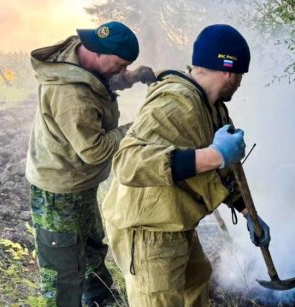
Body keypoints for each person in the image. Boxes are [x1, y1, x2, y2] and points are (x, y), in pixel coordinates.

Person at [101, 24, 271, 306]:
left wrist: (247, 213)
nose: (240, 82)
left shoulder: (212, 106)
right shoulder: (177, 103)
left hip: (174, 222)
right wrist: (213, 155)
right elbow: (128, 163)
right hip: (148, 232)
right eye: (240, 74)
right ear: (229, 71)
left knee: (195, 283)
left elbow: (223, 171)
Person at [25, 21, 140, 306]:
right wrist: (135, 130)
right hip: (58, 189)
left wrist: (131, 77)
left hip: (79, 180)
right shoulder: (70, 95)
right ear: (99, 53)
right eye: (121, 64)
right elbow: (96, 150)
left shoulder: (83, 58)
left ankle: (98, 297)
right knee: (62, 266)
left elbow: (100, 81)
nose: (122, 70)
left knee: (90, 243)